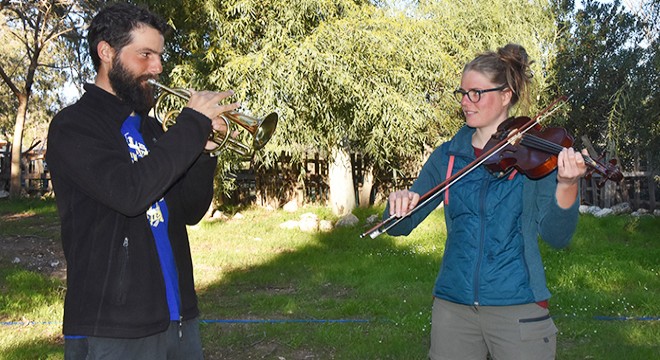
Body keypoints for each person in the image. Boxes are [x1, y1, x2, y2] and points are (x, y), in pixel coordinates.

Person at [46, 3, 238, 359]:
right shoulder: (73, 126)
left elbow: (189, 211)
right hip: (113, 328)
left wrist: (205, 149)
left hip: (177, 317)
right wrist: (192, 127)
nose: (157, 67)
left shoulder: (150, 128)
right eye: (145, 54)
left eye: (160, 56)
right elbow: (130, 193)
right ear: (106, 52)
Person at [384, 43, 588, 360]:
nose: (466, 102)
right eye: (462, 93)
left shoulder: (538, 156)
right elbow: (400, 225)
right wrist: (398, 202)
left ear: (506, 95)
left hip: (519, 306)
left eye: (476, 93)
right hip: (453, 308)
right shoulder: (448, 156)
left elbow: (556, 236)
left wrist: (568, 183)